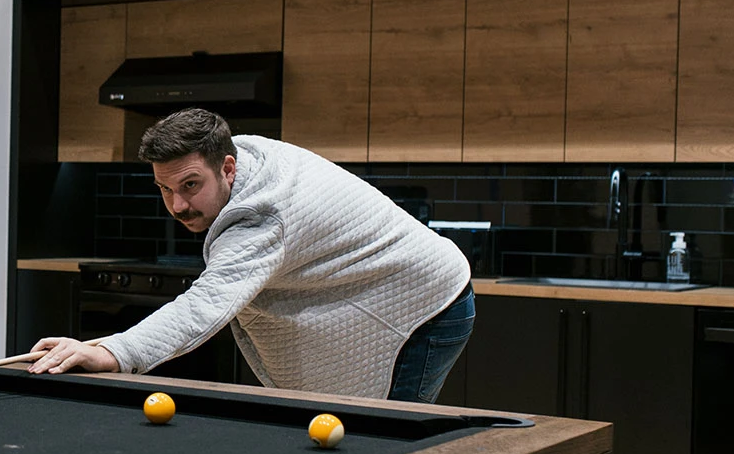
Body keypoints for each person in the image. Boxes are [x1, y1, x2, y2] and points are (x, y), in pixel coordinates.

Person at [29, 108, 474, 403]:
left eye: (189, 185)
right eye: (164, 189)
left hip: (425, 304)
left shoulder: (262, 215)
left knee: (381, 441)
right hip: (379, 285)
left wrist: (112, 351)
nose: (177, 205)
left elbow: (204, 306)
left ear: (227, 168)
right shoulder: (240, 152)